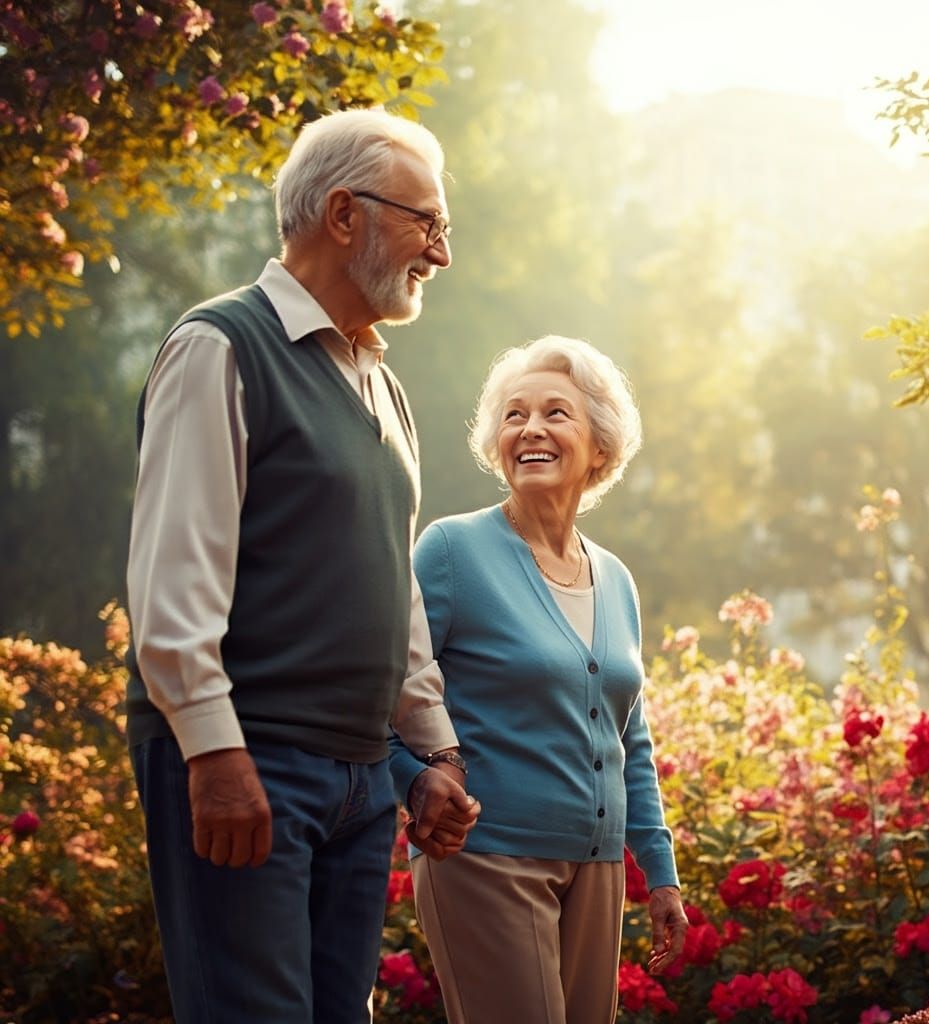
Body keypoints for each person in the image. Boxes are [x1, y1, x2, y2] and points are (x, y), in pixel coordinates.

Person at [125, 109, 479, 1024]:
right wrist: (213, 752)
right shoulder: (220, 347)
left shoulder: (382, 380)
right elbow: (171, 589)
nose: (440, 254)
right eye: (426, 223)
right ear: (342, 213)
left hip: (361, 776)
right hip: (250, 761)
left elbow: (388, 579)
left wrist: (429, 747)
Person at [389, 335, 688, 1024]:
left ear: (600, 447)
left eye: (556, 413)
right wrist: (412, 781)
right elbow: (379, 689)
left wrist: (660, 873)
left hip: (597, 868)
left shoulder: (615, 579)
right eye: (514, 414)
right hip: (485, 854)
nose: (530, 429)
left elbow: (627, 738)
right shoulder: (451, 551)